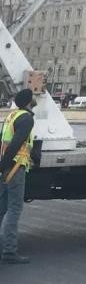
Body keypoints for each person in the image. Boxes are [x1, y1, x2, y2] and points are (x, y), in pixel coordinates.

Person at [0, 88, 37, 264]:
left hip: (7, 167)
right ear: (29, 101)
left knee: (3, 208)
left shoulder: (11, 116)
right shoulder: (26, 119)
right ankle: (9, 251)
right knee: (14, 209)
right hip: (15, 168)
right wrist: (6, 166)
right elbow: (15, 144)